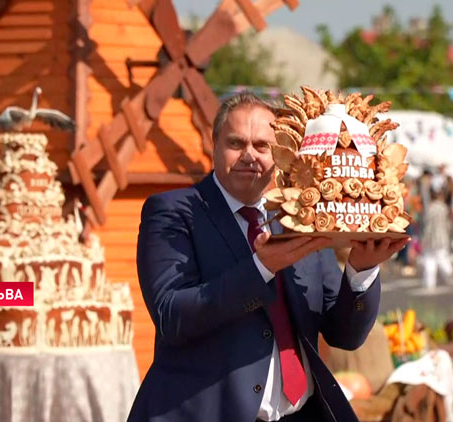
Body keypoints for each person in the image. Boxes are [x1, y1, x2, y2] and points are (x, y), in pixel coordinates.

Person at [128, 93, 409, 422]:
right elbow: (171, 316)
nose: (249, 155)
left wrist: (361, 271)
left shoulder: (302, 218)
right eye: (236, 143)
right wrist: (261, 268)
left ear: (279, 153)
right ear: (213, 143)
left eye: (262, 146)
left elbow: (344, 335)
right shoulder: (175, 211)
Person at [421, 189, 453, 290]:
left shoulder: (430, 208)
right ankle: (449, 275)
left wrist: (425, 239)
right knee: (442, 257)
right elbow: (448, 224)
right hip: (442, 237)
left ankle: (429, 282)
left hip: (431, 237)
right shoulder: (444, 208)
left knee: (430, 260)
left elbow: (427, 225)